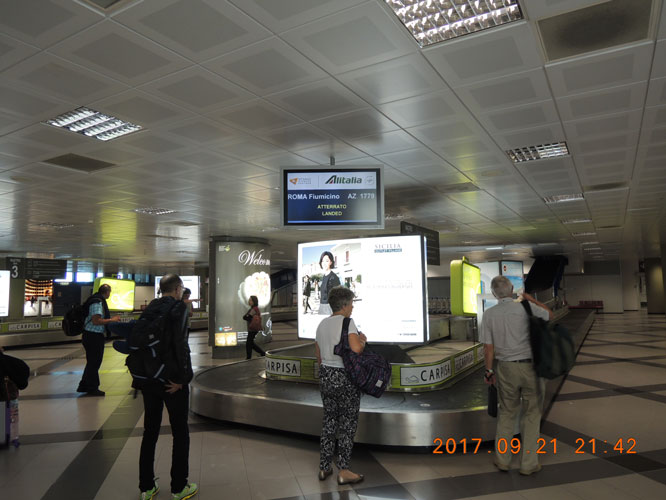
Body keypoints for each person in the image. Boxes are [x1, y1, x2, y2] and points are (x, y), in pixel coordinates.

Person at [481, 276, 553, 476]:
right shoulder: (525, 307)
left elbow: (488, 348)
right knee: (532, 414)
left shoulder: (489, 314)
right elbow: (550, 315)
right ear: (512, 288)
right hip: (531, 367)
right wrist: (532, 300)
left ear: (494, 293)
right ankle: (528, 464)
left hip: (506, 368)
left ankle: (502, 459)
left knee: (507, 413)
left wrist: (489, 371)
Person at [138, 274, 197, 500]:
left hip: (149, 378)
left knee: (150, 432)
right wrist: (184, 378)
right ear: (178, 289)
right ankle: (179, 487)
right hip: (172, 382)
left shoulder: (150, 308)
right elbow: (181, 345)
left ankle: (146, 487)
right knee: (180, 432)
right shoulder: (178, 308)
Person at [315, 286, 365, 485]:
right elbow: (356, 349)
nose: (352, 307)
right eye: (351, 304)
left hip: (326, 376)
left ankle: (324, 467)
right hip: (344, 377)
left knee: (329, 421)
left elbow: (318, 356)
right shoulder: (347, 323)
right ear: (344, 305)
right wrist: (362, 341)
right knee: (347, 424)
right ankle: (343, 470)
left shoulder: (321, 324)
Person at [76, 284, 119, 396]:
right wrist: (112, 320)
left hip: (90, 335)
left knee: (92, 362)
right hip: (93, 336)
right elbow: (96, 320)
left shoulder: (95, 300)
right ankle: (92, 388)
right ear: (107, 292)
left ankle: (84, 385)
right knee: (94, 363)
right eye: (109, 292)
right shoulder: (97, 303)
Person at [242, 295, 265, 359]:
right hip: (252, 328)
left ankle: (249, 357)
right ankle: (262, 353)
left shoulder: (254, 309)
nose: (249, 301)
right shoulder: (253, 309)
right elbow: (245, 317)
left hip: (253, 329)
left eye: (251, 300)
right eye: (249, 300)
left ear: (254, 301)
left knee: (248, 343)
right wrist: (246, 316)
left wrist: (247, 316)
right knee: (251, 343)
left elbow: (247, 317)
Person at [318, 251, 340, 315]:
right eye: (322, 261)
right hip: (322, 306)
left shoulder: (334, 277)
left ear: (331, 262)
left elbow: (338, 296)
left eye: (327, 261)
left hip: (329, 308)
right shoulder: (324, 276)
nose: (324, 263)